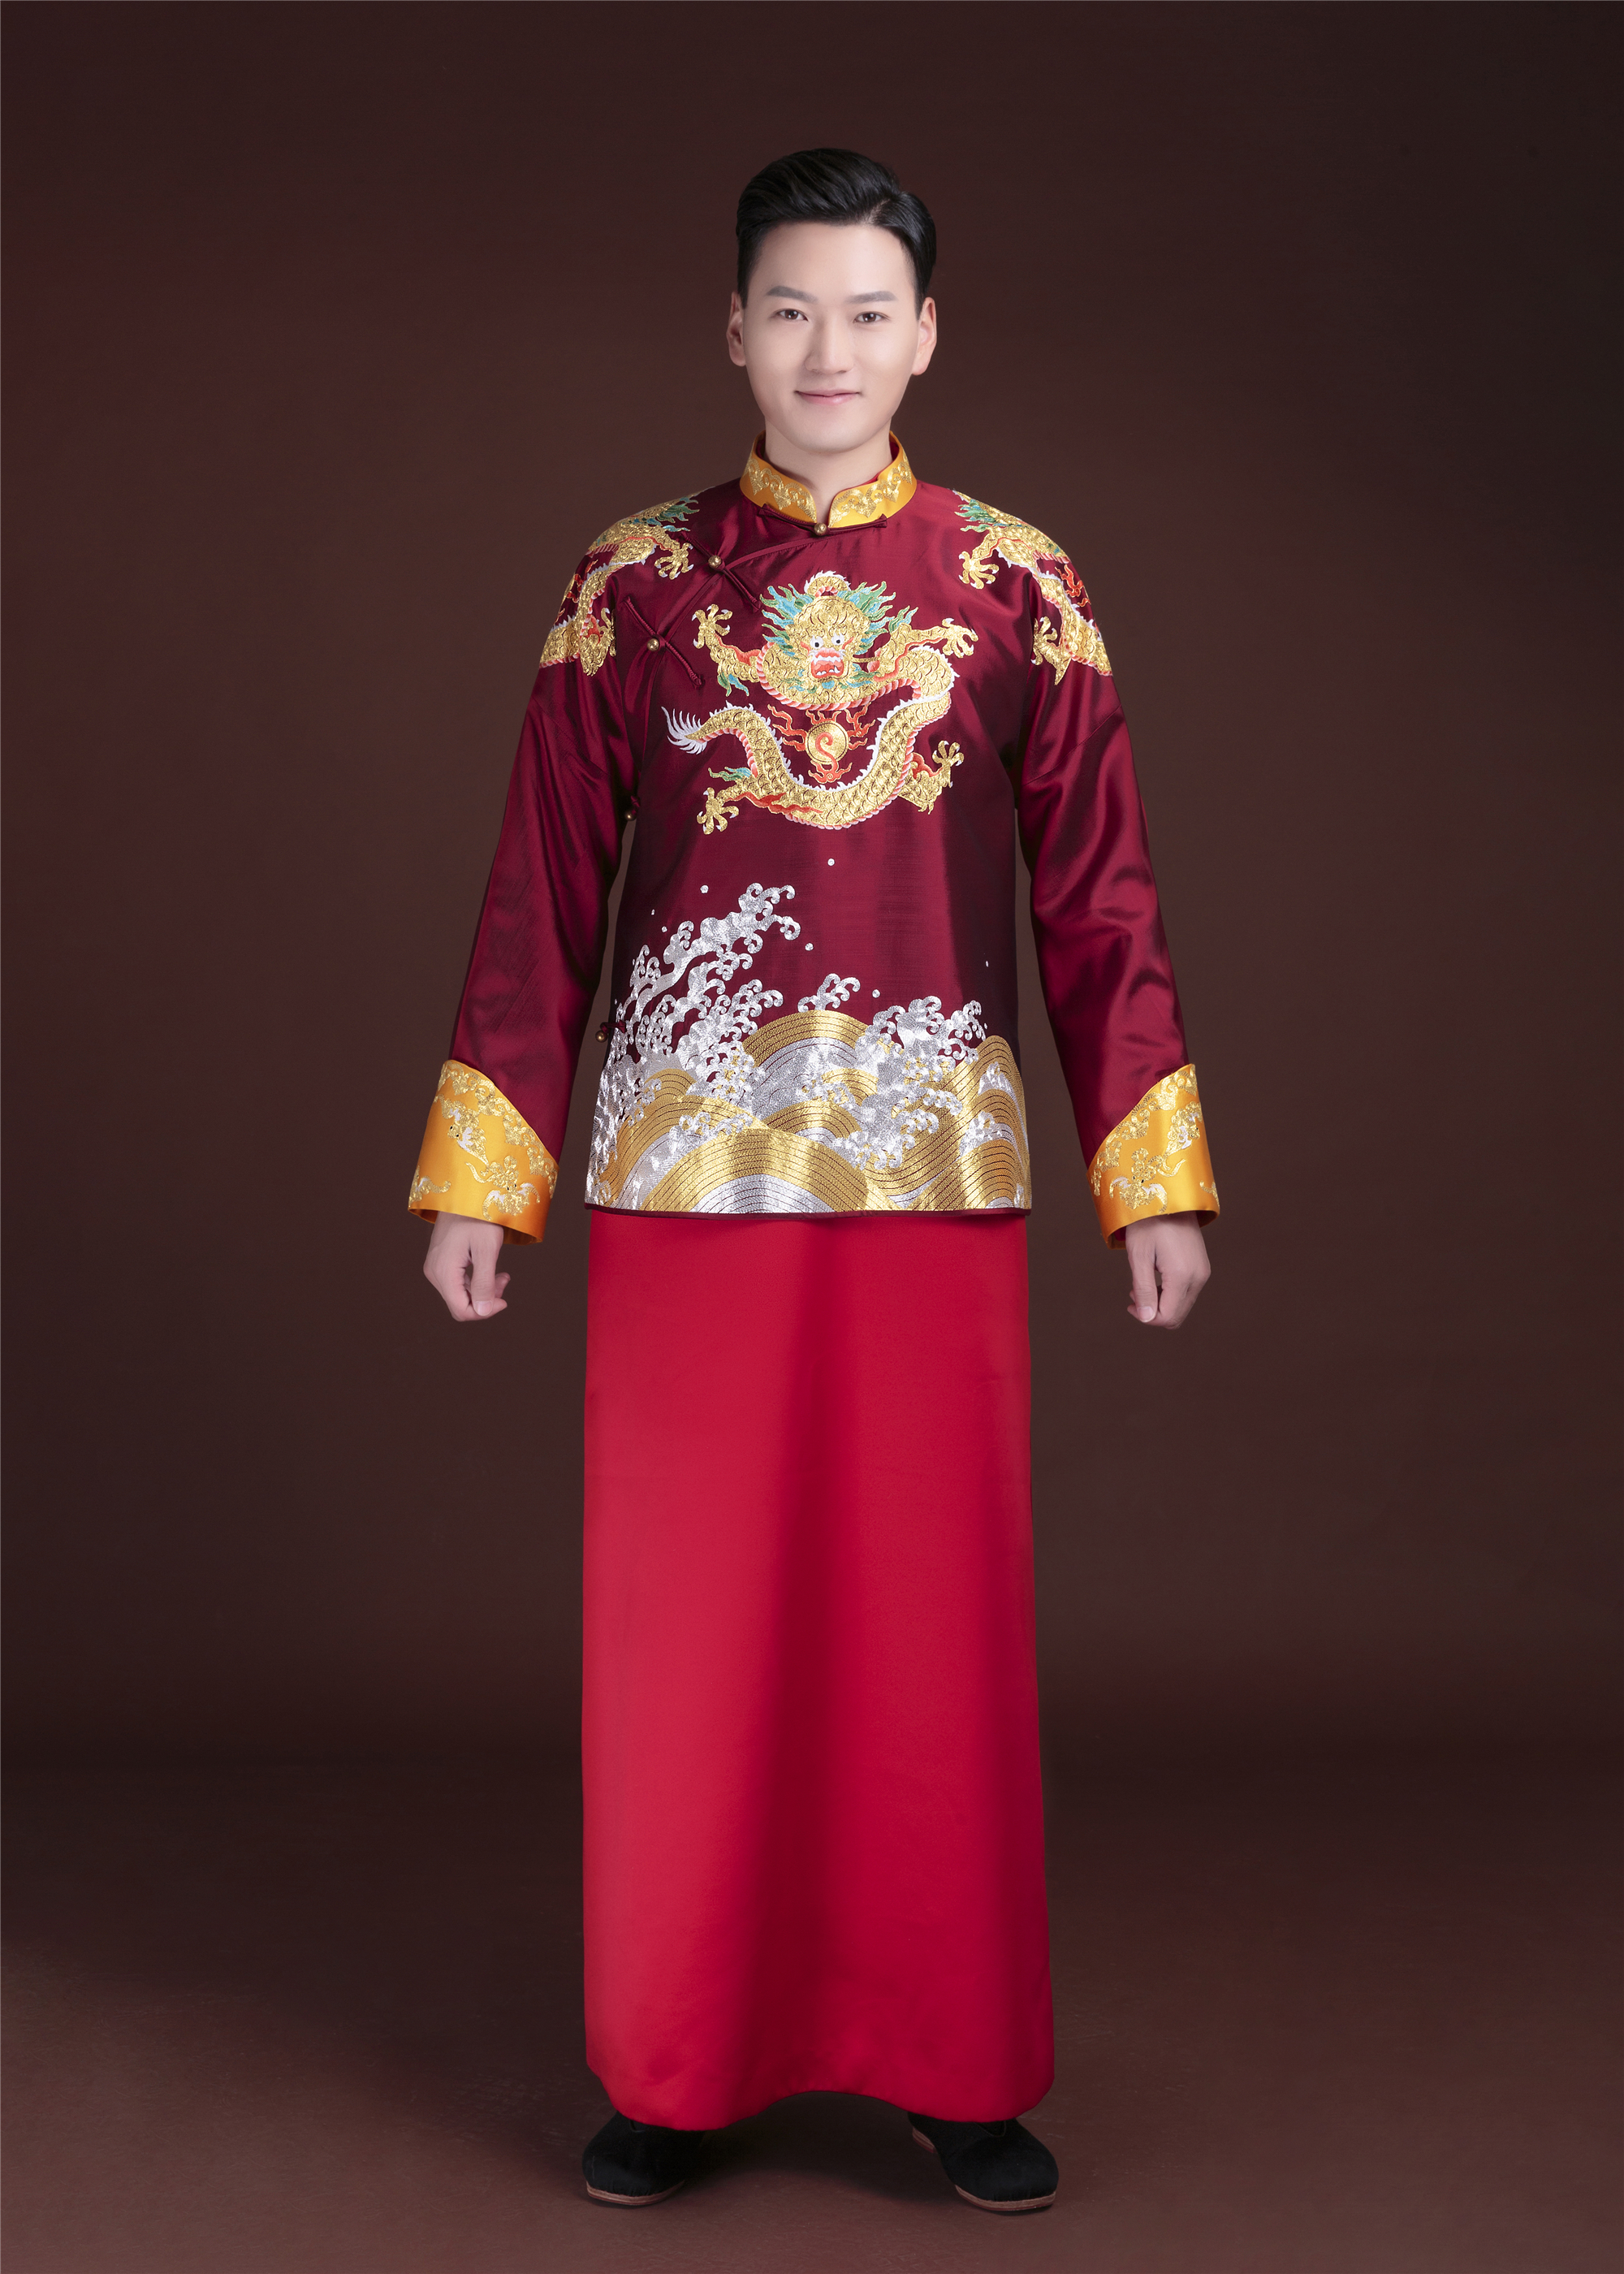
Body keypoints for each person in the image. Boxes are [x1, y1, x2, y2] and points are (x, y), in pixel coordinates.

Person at [409, 148, 1216, 2216]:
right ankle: (677, 2062)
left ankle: (952, 2064)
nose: (828, 349)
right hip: (684, 1179)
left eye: (867, 311)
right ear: (734, 330)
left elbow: (1100, 897)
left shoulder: (1017, 585)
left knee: (926, 1632)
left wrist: (1150, 1175)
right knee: (686, 1639)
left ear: (924, 334)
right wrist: (486, 1172)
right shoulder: (629, 589)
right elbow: (541, 895)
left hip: (930, 1171)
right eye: (791, 309)